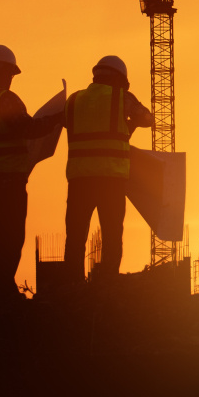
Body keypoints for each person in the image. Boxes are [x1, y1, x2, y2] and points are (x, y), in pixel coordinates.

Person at [0, 44, 59, 306]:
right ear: (5, 72)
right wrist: (56, 118)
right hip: (9, 182)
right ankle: (4, 292)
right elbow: (28, 128)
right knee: (11, 236)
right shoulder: (7, 99)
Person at [62, 55, 152, 285]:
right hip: (110, 179)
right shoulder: (122, 98)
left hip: (79, 179)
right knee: (112, 234)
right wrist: (128, 126)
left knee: (75, 236)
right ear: (120, 80)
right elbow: (147, 118)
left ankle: (73, 284)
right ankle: (108, 283)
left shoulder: (74, 100)